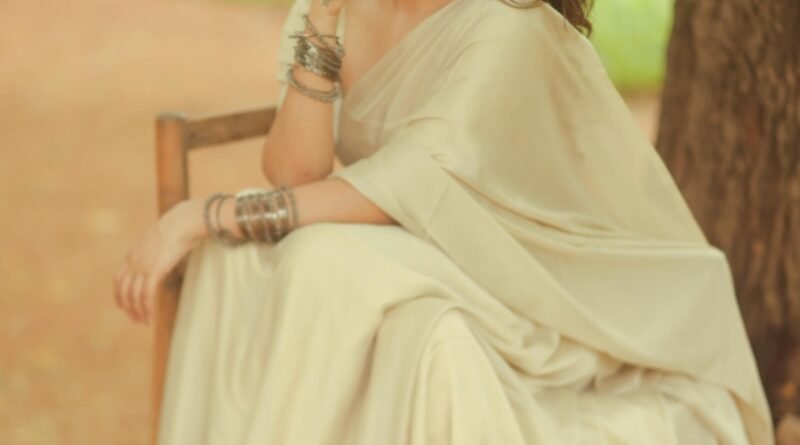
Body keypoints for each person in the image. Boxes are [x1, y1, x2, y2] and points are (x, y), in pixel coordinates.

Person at [113, 0, 775, 442]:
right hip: (411, 239)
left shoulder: (506, 23)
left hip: (537, 272)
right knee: (235, 260)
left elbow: (405, 185)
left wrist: (203, 214)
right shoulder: (335, 11)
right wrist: (323, 20)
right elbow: (295, 174)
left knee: (316, 260)